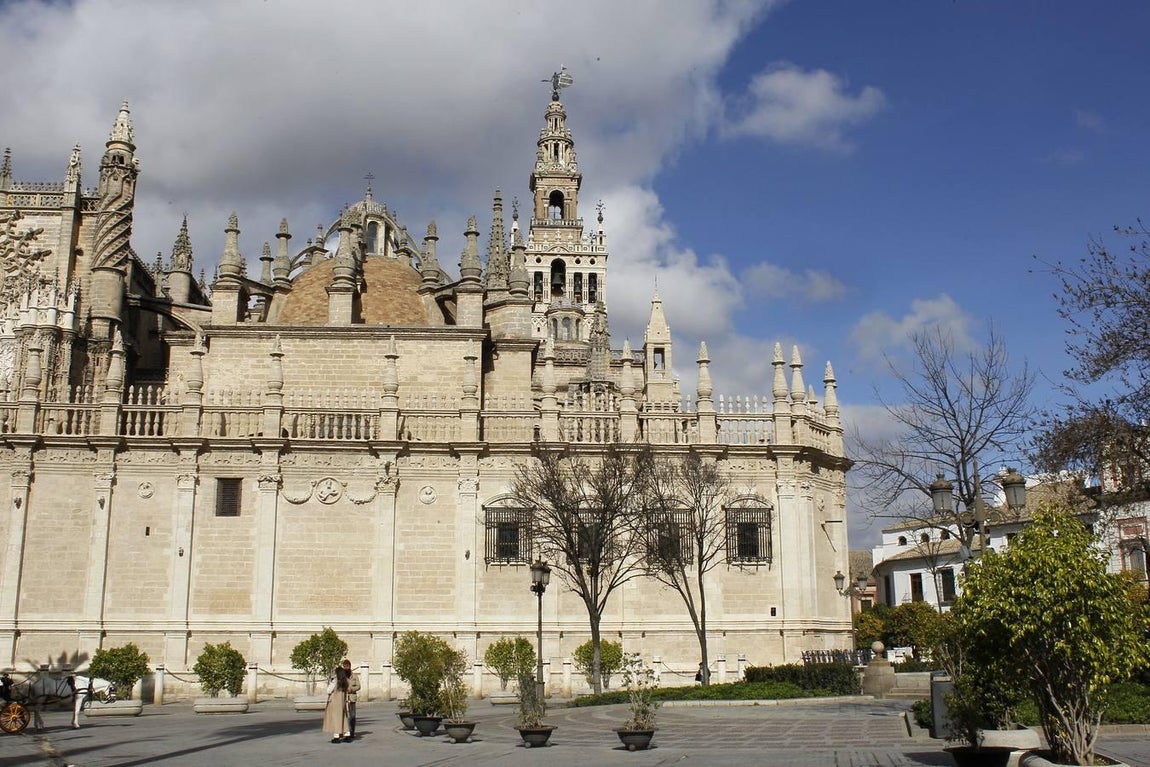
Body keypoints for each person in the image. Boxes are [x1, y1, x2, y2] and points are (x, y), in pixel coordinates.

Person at [322, 665, 351, 743]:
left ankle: (336, 736)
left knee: (335, 720)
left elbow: (328, 690)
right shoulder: (346, 681)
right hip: (342, 702)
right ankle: (347, 734)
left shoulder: (335, 681)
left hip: (335, 702)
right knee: (343, 718)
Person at [341, 659, 361, 740]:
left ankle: (352, 732)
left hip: (352, 698)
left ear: (350, 666)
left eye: (347, 666)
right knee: (345, 716)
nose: (346, 668)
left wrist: (352, 689)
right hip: (344, 698)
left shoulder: (354, 676)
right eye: (344, 667)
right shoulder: (342, 676)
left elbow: (359, 686)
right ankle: (345, 732)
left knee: (352, 716)